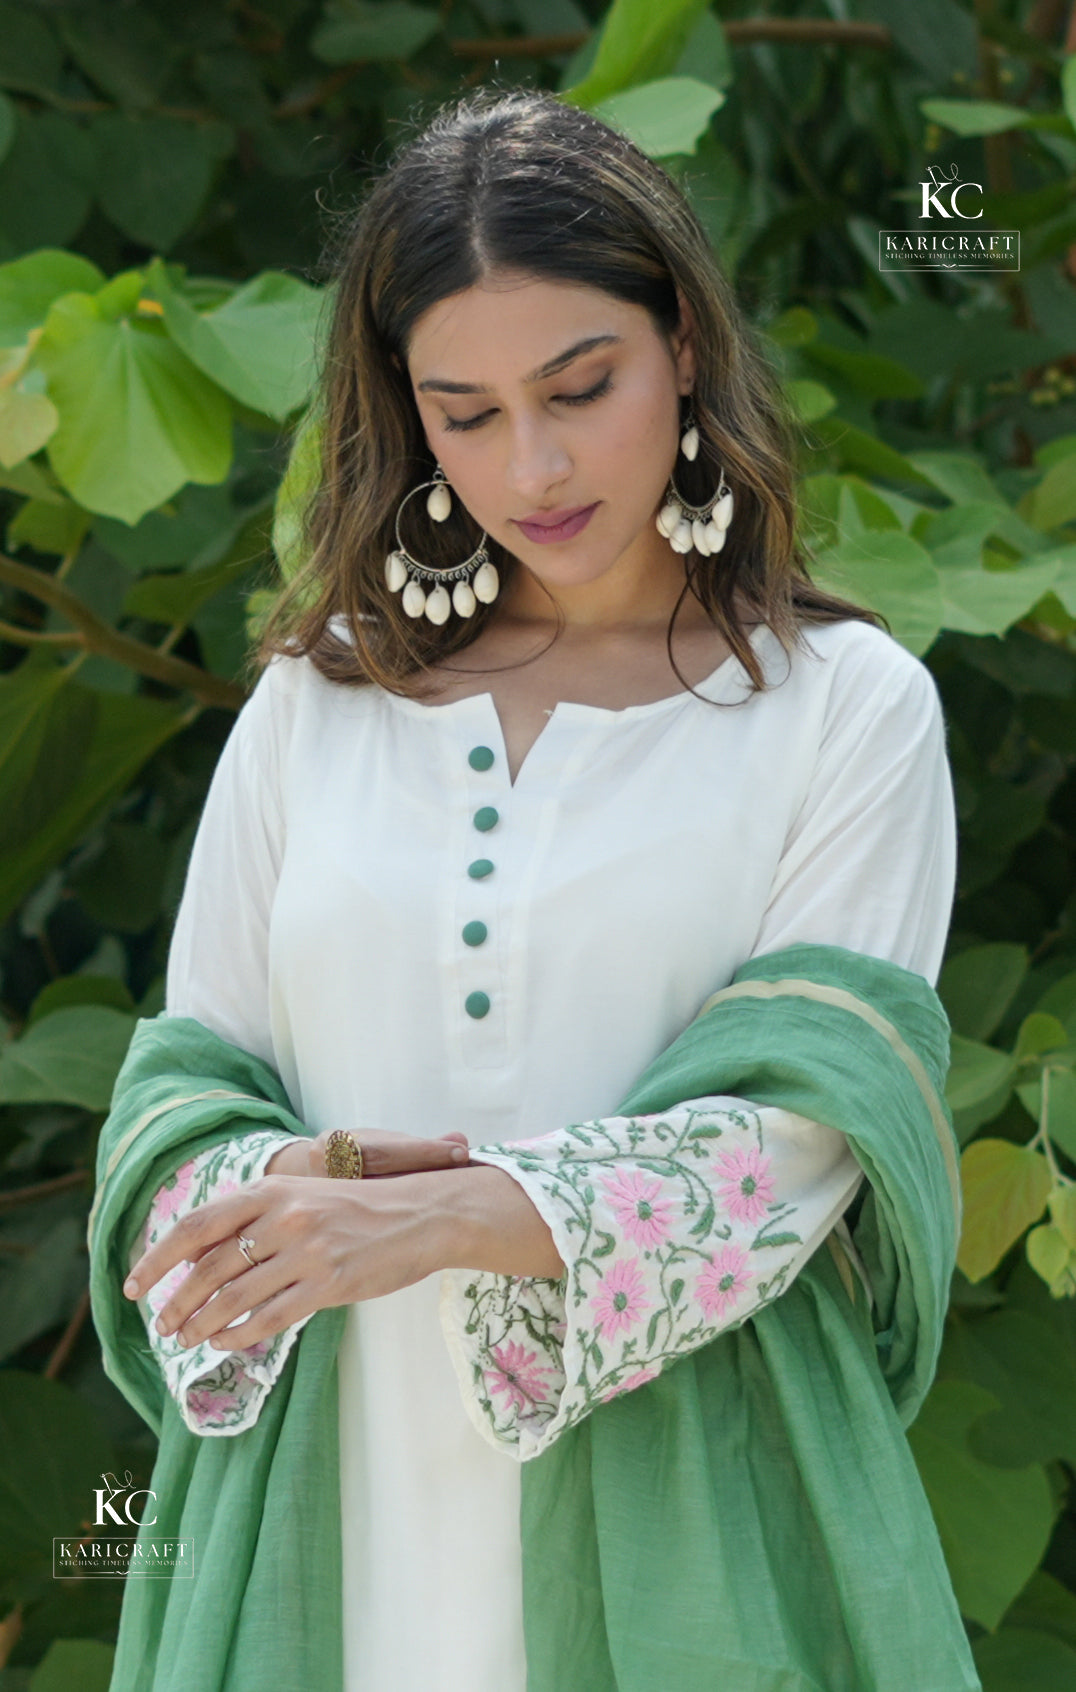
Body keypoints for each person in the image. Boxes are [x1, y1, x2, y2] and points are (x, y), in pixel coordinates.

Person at [90, 87, 983, 1692]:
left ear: (686, 347)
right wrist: (318, 1182)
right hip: (332, 1499)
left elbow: (799, 1140)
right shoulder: (320, 704)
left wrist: (448, 1222)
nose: (537, 462)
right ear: (405, 412)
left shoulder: (844, 706)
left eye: (583, 385)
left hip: (692, 1493)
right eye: (466, 409)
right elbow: (180, 1094)